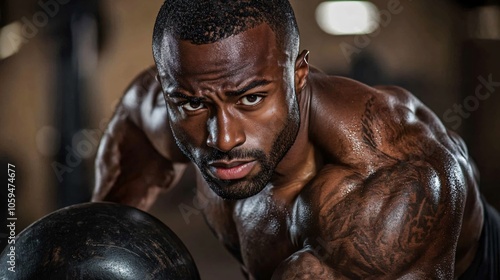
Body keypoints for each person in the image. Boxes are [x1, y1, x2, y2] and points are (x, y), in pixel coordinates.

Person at [92, 0, 500, 279]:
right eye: (193, 105)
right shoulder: (173, 104)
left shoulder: (392, 187)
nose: (223, 138)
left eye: (251, 98)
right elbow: (99, 233)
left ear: (298, 74)